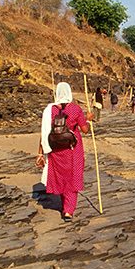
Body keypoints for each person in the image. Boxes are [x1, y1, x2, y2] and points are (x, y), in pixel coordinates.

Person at [36, 82, 94, 222]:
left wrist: (40, 152)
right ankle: (68, 210)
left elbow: (44, 133)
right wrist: (88, 119)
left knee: (61, 176)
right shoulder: (75, 109)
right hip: (73, 149)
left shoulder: (50, 110)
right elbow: (85, 130)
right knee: (72, 178)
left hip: (55, 149)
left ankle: (64, 205)